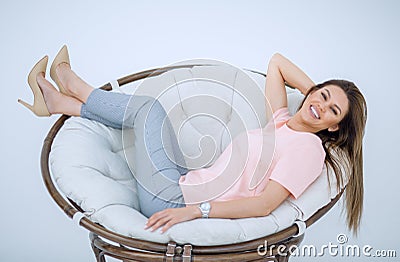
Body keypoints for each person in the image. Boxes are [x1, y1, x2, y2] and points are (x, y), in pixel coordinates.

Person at [19, 46, 367, 234]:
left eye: (333, 110)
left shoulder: (308, 149)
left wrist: (195, 212)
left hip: (175, 199)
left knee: (149, 110)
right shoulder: (283, 123)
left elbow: (264, 206)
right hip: (185, 179)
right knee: (150, 117)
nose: (321, 106)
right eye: (322, 95)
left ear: (336, 128)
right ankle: (61, 103)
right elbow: (276, 62)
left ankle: (77, 88)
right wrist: (316, 98)